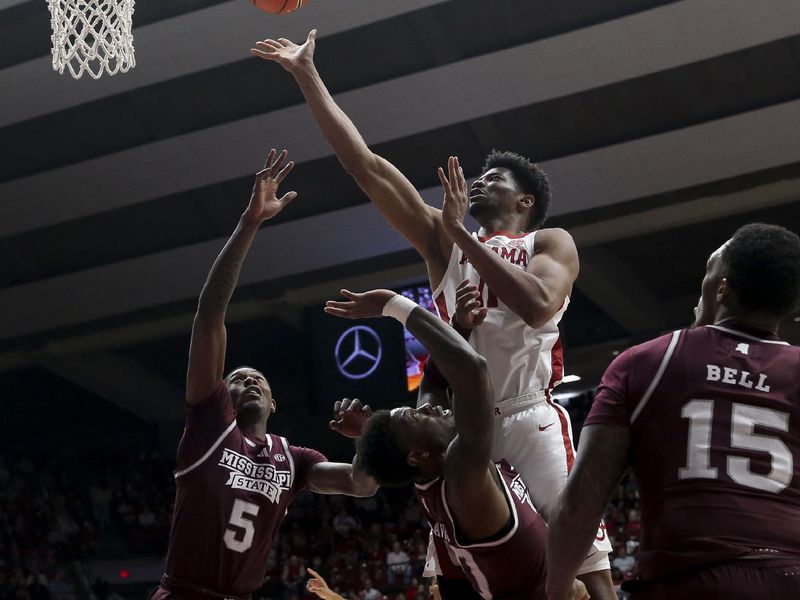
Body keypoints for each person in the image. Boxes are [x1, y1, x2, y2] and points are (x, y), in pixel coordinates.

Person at [251, 31, 613, 598]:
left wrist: (461, 241)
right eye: (481, 175)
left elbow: (539, 305)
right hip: (460, 429)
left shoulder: (549, 241)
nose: (482, 180)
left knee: (588, 572)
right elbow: (365, 166)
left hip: (530, 418)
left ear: (525, 202)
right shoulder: (445, 242)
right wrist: (306, 75)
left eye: (498, 178)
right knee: (455, 580)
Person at [151, 150, 377, 600]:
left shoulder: (294, 459)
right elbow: (211, 311)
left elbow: (362, 485)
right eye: (237, 378)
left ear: (274, 403)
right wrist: (249, 223)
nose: (249, 379)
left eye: (258, 379)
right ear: (222, 395)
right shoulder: (209, 426)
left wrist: (364, 441)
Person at [546, 223, 800, 600]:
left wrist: (557, 586)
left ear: (721, 288)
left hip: (685, 580)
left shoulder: (649, 361)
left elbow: (583, 499)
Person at [324, 288, 588, 600]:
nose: (427, 409)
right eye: (416, 417)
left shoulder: (433, 472)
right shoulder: (461, 478)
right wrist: (393, 305)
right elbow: (472, 370)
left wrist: (460, 325)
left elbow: (434, 381)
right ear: (417, 454)